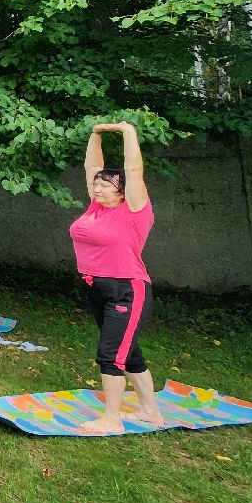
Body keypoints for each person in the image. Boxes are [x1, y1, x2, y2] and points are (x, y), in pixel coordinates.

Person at [68, 121, 164, 434]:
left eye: (105, 185)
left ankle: (112, 419)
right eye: (96, 185)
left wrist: (128, 132)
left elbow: (134, 170)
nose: (97, 188)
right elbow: (91, 166)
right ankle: (150, 411)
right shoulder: (95, 209)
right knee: (128, 351)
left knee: (110, 355)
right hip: (95, 287)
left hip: (126, 290)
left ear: (122, 192)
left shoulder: (135, 211)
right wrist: (95, 134)